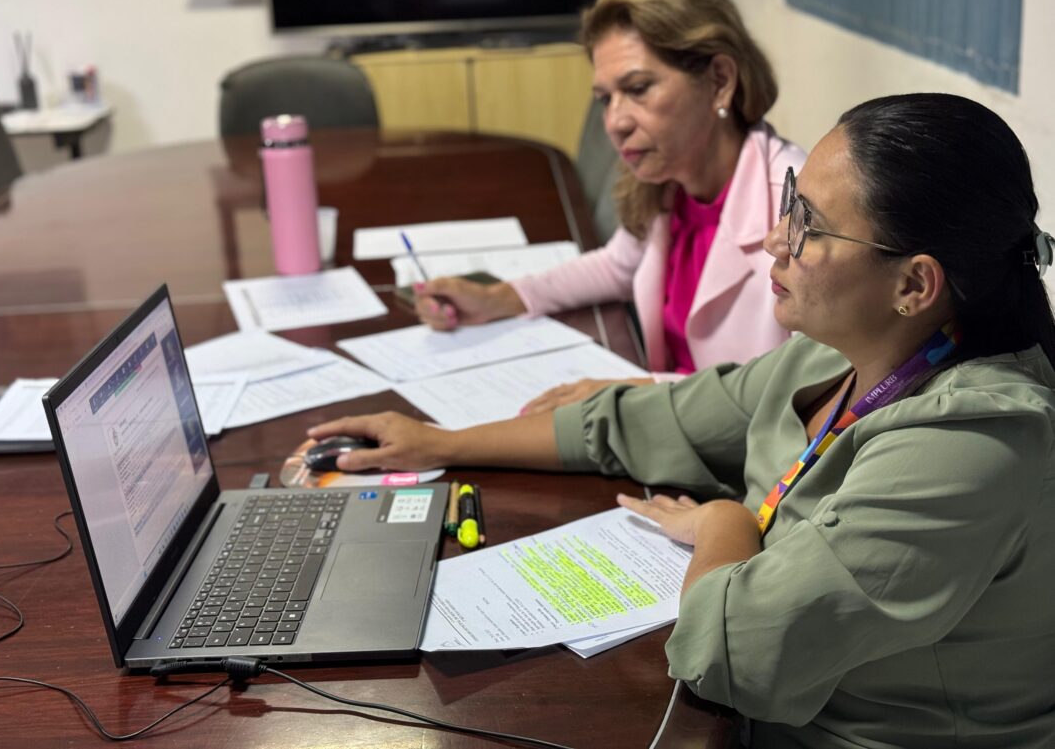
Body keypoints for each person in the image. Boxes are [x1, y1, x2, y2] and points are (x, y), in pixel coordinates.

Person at [311, 93, 1055, 747]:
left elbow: (729, 652)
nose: (776, 239)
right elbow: (645, 420)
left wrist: (726, 523)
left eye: (810, 225)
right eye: (790, 201)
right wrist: (437, 442)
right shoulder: (838, 351)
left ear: (914, 284)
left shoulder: (971, 444)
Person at [413, 0, 805, 414]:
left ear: (719, 80)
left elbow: (801, 388)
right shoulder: (671, 179)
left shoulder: (799, 209)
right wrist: (498, 298)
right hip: (671, 423)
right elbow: (617, 266)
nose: (615, 122)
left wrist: (633, 390)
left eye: (637, 89)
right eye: (605, 98)